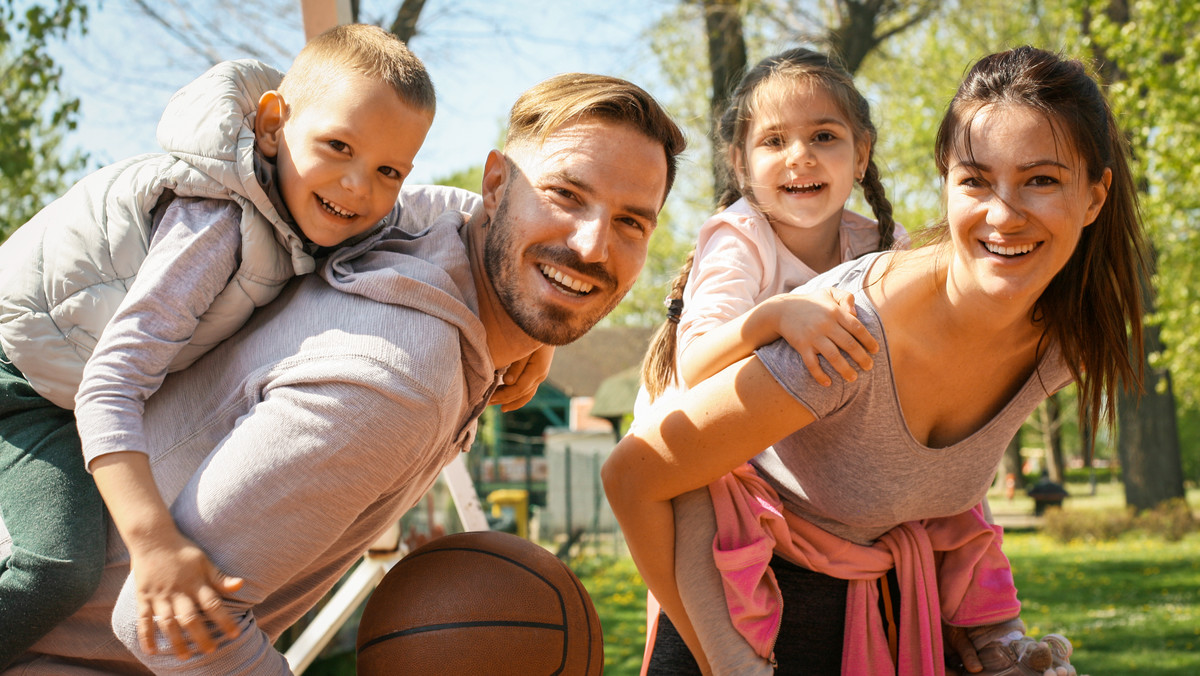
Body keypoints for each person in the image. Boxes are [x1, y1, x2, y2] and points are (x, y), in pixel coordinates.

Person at [1, 69, 686, 675]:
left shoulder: (414, 229)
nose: (595, 244)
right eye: (566, 194)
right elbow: (165, 635)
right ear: (498, 184)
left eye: (632, 222)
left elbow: (453, 208)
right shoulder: (396, 384)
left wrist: (544, 321)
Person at [604, 45, 1146, 676]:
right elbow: (645, 459)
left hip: (881, 603)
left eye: (1042, 179)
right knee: (705, 488)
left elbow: (940, 492)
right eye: (975, 179)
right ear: (945, 182)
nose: (1003, 214)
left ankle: (997, 637)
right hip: (746, 567)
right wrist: (711, 653)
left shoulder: (1068, 332)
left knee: (971, 509)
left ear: (1095, 196)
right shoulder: (838, 318)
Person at [0, 23, 451, 667]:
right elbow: (109, 385)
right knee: (58, 566)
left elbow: (434, 214)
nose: (359, 186)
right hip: (24, 377)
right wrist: (155, 543)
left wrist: (529, 327)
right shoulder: (214, 223)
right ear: (272, 125)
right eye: (337, 146)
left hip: (70, 368)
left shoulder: (311, 207)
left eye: (388, 170)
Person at [632, 47, 907, 671]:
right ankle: (727, 656)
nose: (800, 155)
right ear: (741, 163)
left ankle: (994, 625)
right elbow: (697, 362)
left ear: (860, 155)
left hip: (808, 444)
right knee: (698, 483)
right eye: (775, 140)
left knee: (952, 469)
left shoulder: (883, 247)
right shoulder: (740, 235)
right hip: (703, 435)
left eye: (824, 136)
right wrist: (778, 315)